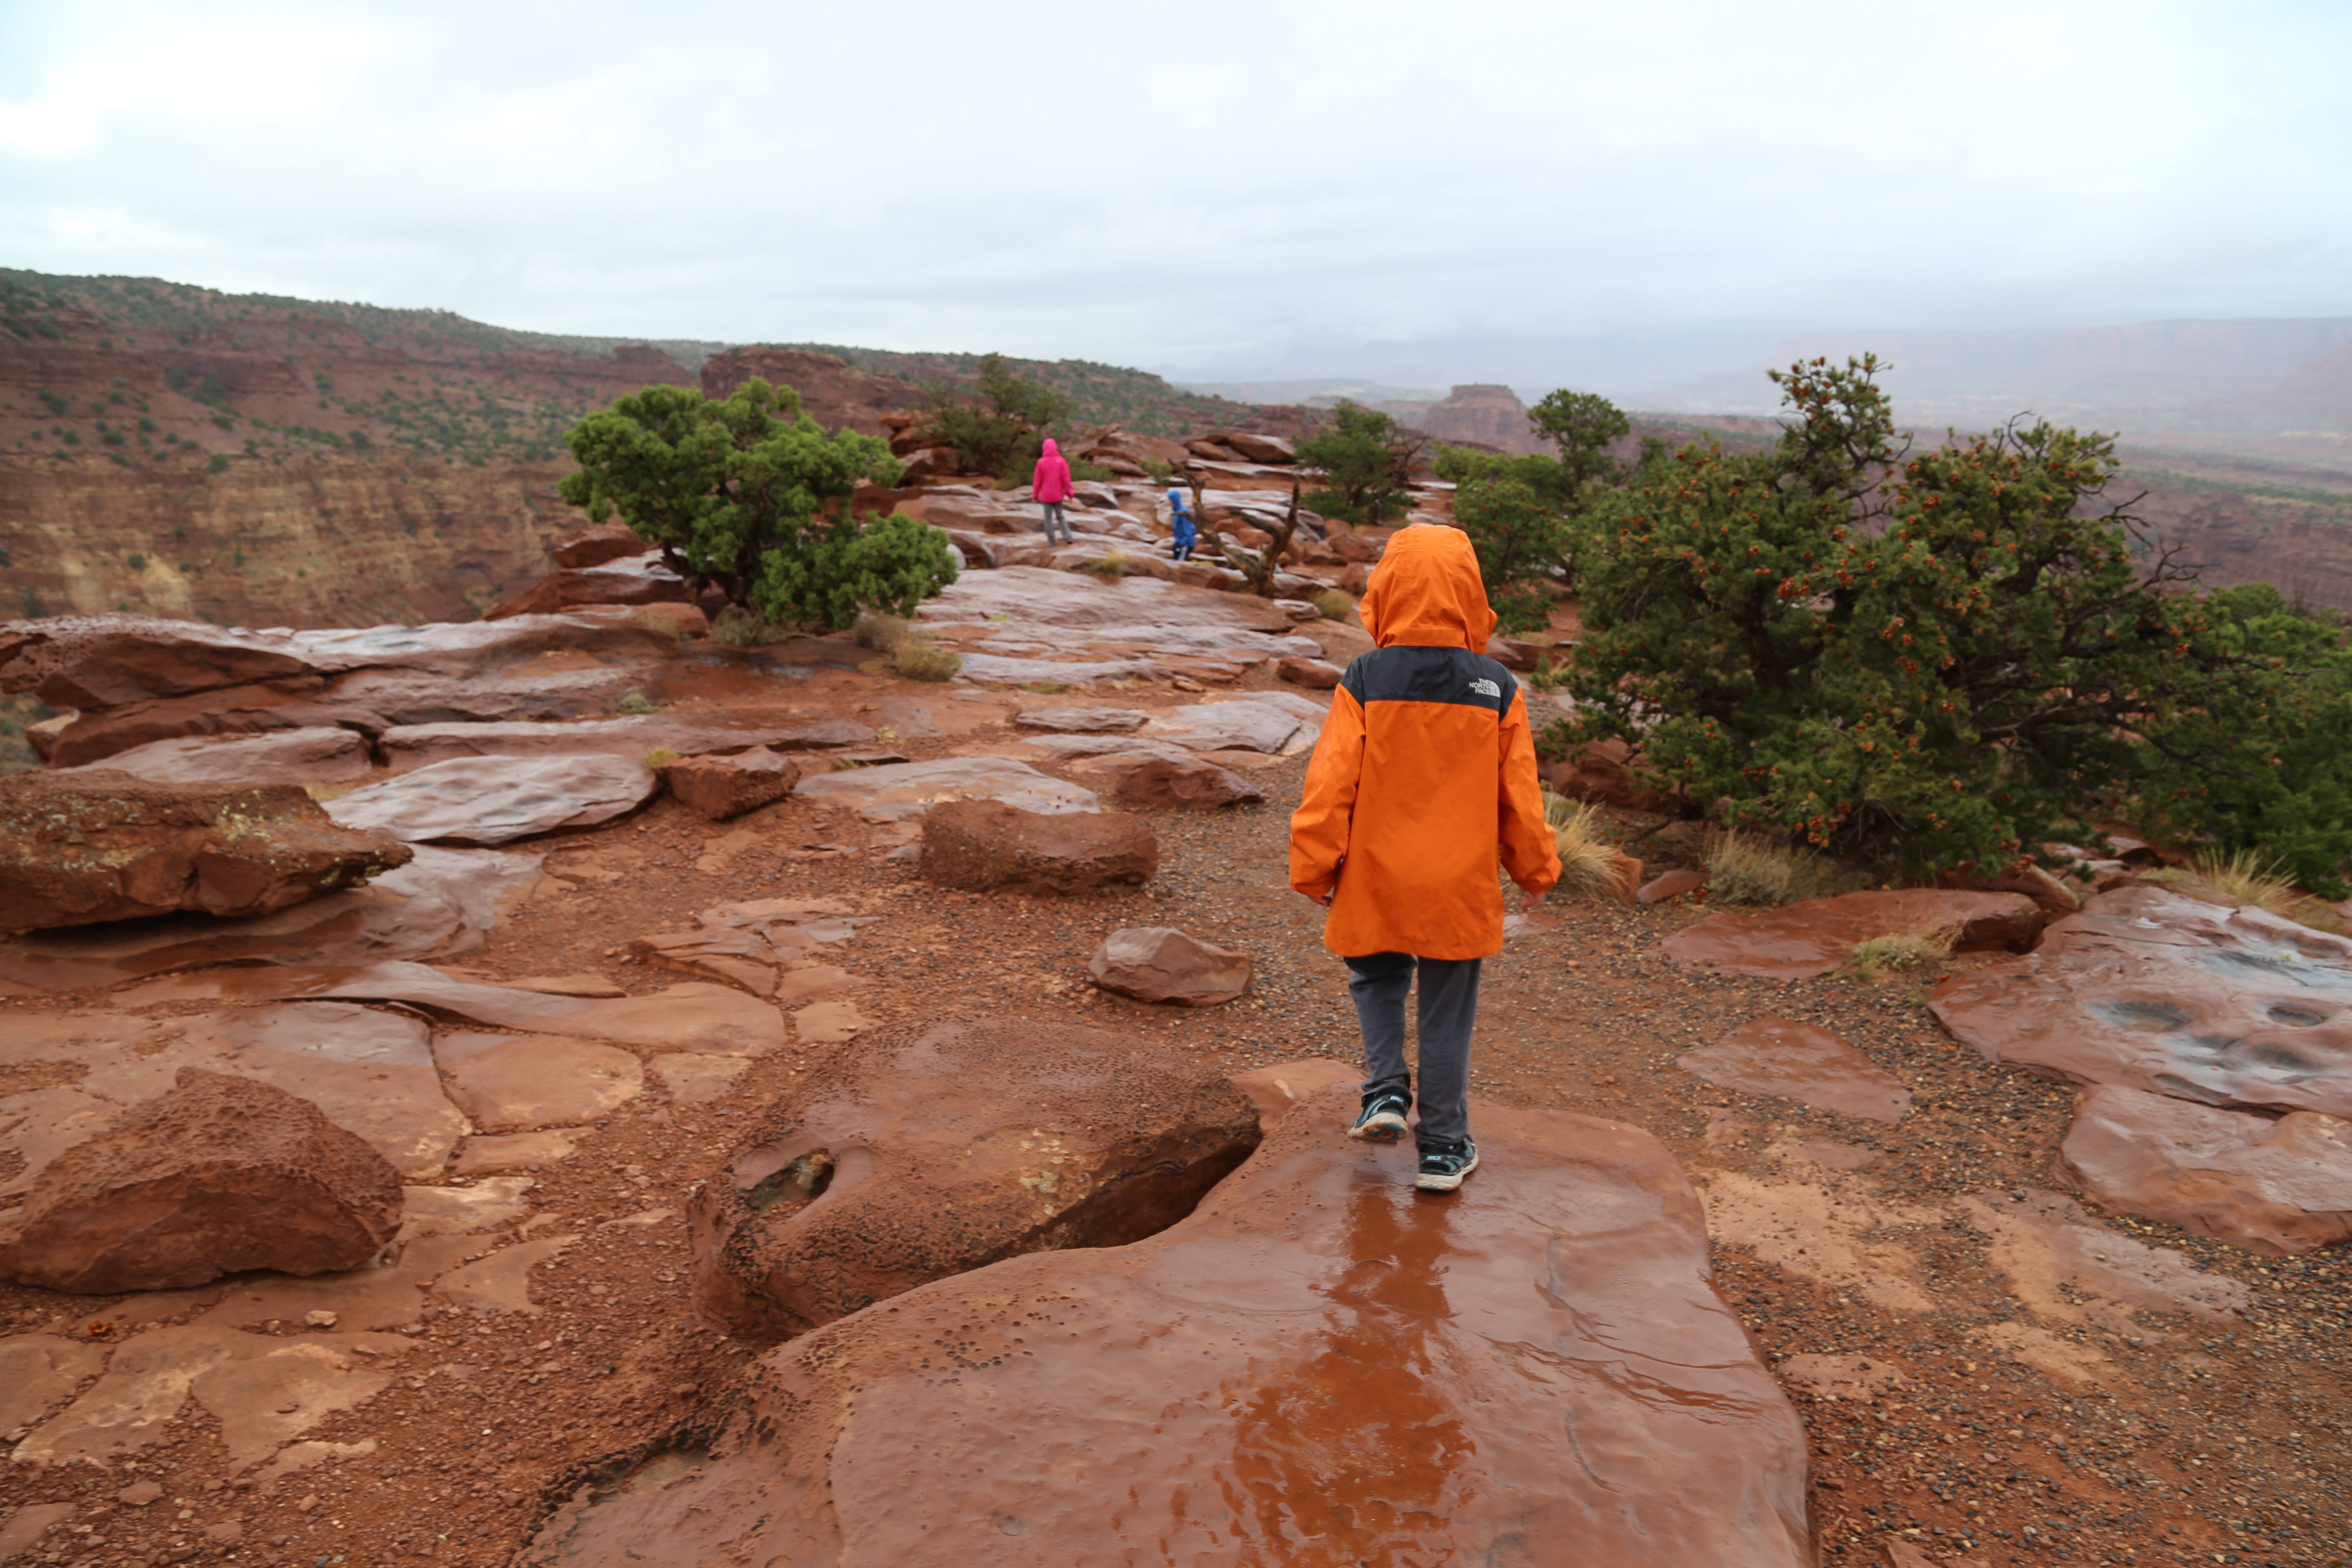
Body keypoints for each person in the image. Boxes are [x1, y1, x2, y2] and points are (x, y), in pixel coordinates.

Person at [1287, 524, 1561, 1192]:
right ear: (1470, 595)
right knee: (1446, 1010)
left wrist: (1315, 867)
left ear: (1388, 591)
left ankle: (1384, 1094)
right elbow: (1518, 796)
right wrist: (1535, 869)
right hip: (1457, 883)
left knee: (1375, 980)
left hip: (1376, 871)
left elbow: (1330, 783)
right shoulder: (1497, 687)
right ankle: (1442, 1147)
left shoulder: (1365, 677)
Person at [1032, 437, 1075, 545]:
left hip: (1046, 496)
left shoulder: (1041, 462)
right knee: (1060, 516)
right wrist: (1070, 494)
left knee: (1048, 519)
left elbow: (1037, 481)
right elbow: (1066, 479)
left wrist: (1035, 496)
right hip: (1058, 495)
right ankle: (1068, 537)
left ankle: (1052, 543)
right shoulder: (1061, 461)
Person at [1166, 484, 1197, 562]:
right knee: (1175, 562)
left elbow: (1189, 530)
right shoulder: (1177, 512)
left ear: (1174, 500)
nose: (1168, 502)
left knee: (1180, 564)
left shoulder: (1183, 512)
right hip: (1180, 542)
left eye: (1170, 500)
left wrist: (1182, 543)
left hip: (1185, 544)